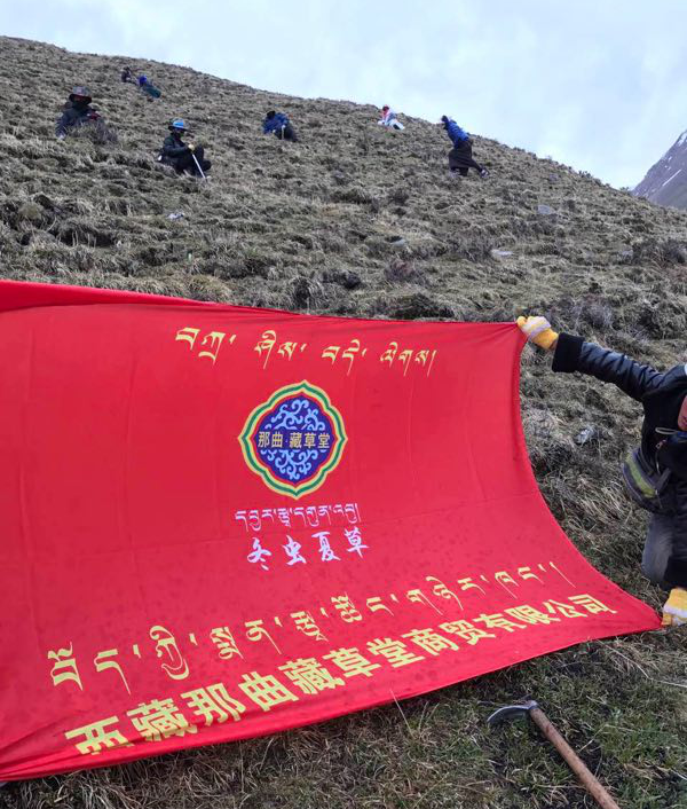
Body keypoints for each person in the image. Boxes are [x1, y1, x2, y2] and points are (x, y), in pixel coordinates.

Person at [518, 315, 687, 627]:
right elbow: (616, 366)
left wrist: (682, 590)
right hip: (668, 498)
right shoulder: (666, 391)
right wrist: (555, 342)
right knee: (655, 570)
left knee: (668, 571)